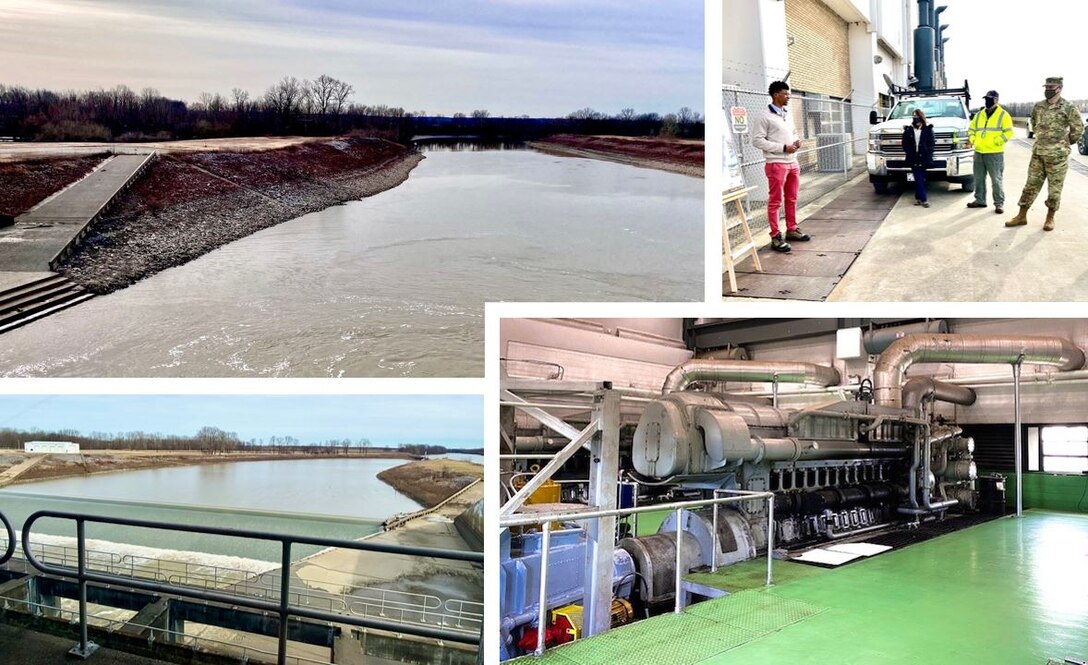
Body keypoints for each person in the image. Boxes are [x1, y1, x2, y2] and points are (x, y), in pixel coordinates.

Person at [1007, 76, 1085, 230]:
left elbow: (1078, 129)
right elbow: (1035, 124)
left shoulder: (1068, 107)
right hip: (1038, 154)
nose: (1047, 90)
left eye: (1051, 87)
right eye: (1046, 87)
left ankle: (1050, 218)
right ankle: (1021, 215)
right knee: (1030, 186)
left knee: (1054, 189)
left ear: (1059, 88)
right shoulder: (1038, 106)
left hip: (1058, 157)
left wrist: (1064, 143)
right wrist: (1043, 139)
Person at [750, 80, 811, 253]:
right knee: (775, 201)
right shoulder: (764, 116)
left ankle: (791, 229)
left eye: (789, 94)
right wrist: (782, 148)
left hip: (793, 162)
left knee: (792, 198)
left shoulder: (787, 114)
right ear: (776, 94)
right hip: (776, 163)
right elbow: (756, 140)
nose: (788, 97)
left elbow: (792, 133)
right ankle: (775, 236)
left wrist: (796, 141)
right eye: (785, 94)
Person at [966, 90, 1014, 213]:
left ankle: (999, 203)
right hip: (979, 152)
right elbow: (971, 129)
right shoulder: (979, 115)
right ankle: (980, 200)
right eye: (986, 98)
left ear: (996, 100)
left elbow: (1009, 132)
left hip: (994, 153)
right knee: (978, 178)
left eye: (990, 99)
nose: (987, 101)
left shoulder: (1003, 115)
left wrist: (997, 141)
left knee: (996, 179)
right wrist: (973, 139)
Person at [902, 108, 935, 208]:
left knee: (921, 178)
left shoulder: (928, 129)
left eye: (917, 116)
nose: (915, 118)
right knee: (918, 177)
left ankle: (918, 198)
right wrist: (910, 152)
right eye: (913, 116)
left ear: (921, 117)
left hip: (924, 157)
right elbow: (905, 143)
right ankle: (924, 200)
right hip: (913, 157)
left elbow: (931, 143)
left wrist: (927, 152)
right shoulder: (908, 129)